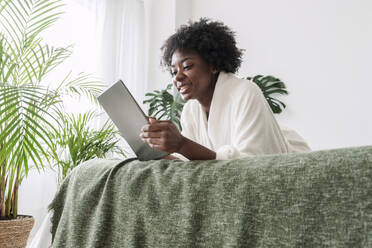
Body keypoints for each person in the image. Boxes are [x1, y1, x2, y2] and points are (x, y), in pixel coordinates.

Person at [140, 18, 310, 160]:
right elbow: (190, 162)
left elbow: (250, 165)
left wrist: (181, 144)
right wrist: (159, 152)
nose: (177, 77)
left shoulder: (245, 92)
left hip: (291, 167)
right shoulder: (190, 111)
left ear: (213, 64)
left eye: (187, 66)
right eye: (174, 71)